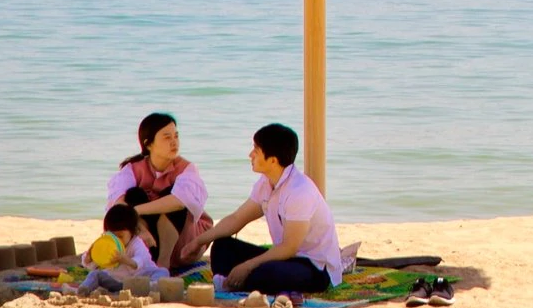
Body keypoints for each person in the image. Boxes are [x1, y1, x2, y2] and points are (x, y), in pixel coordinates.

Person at [198, 123, 342, 296]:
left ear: (272, 160)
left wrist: (247, 265)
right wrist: (197, 242)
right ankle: (235, 282)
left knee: (267, 273)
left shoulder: (299, 191)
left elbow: (289, 247)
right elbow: (237, 219)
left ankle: (236, 282)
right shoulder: (266, 183)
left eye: (256, 151)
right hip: (286, 258)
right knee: (222, 245)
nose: (250, 155)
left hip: (315, 267)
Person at [108, 112, 209, 267]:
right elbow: (119, 204)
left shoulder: (186, 168)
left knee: (172, 196)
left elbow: (178, 202)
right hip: (146, 240)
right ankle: (147, 256)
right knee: (134, 194)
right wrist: (140, 229)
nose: (174, 142)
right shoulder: (132, 169)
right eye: (167, 137)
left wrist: (135, 212)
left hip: (182, 240)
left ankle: (164, 263)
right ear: (148, 144)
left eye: (176, 136)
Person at [79, 202, 169, 295]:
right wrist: (88, 258)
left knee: (163, 271)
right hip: (120, 283)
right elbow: (93, 265)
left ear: (132, 232)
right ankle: (84, 289)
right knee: (95, 274)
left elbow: (140, 261)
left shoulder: (136, 243)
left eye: (120, 236)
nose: (116, 239)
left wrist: (125, 260)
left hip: (143, 279)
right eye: (111, 235)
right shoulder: (107, 243)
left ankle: (151, 287)